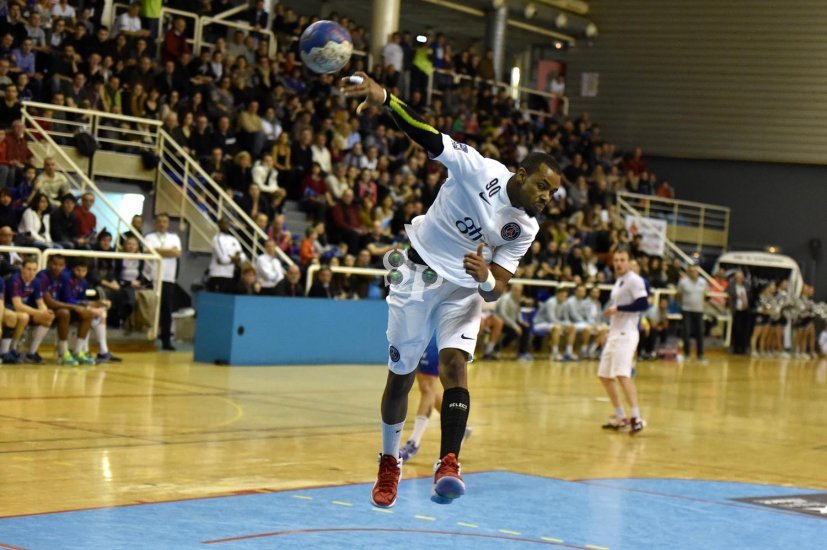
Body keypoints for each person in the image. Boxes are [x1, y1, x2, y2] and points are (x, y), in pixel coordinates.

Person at [341, 71, 560, 507]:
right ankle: (389, 461)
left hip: (462, 292)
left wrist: (483, 277)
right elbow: (427, 135)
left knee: (455, 367)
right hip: (417, 277)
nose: (546, 197)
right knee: (401, 380)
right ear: (521, 175)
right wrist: (386, 99)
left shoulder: (526, 228)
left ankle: (448, 463)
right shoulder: (479, 170)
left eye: (553, 193)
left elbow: (497, 289)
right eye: (542, 186)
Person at [598, 247, 648, 435]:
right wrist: (608, 330)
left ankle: (636, 417)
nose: (618, 263)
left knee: (622, 374)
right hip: (614, 333)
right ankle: (620, 416)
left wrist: (619, 309)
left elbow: (643, 303)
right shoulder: (619, 281)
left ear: (629, 262)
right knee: (604, 375)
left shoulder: (635, 280)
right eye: (616, 260)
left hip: (627, 334)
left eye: (622, 260)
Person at [399, 336, 472, 462]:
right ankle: (459, 426)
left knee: (427, 386)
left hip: (438, 333)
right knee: (426, 385)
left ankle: (414, 442)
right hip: (419, 331)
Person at [37, 254, 96, 365]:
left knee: (88, 313)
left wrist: (87, 306)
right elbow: (49, 302)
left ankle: (78, 351)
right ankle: (63, 351)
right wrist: (75, 306)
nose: (57, 267)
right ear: (49, 263)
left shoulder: (64, 277)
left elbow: (70, 298)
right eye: (55, 264)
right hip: (43, 308)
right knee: (64, 313)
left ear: (64, 266)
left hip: (60, 307)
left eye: (61, 265)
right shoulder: (43, 276)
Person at [59, 260, 121, 363]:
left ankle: (102, 351)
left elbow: (83, 300)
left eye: (84, 271)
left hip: (76, 307)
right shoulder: (66, 279)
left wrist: (99, 303)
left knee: (101, 312)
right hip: (65, 307)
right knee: (91, 314)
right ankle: (82, 351)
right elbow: (67, 299)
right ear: (73, 269)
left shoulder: (84, 282)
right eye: (78, 270)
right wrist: (90, 307)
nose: (81, 273)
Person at [5, 256, 55, 364]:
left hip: (24, 309)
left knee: (48, 318)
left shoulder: (36, 281)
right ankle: (13, 349)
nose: (31, 272)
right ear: (22, 269)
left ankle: (31, 353)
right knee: (24, 317)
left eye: (34, 270)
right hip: (9, 308)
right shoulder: (15, 280)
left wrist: (45, 312)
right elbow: (18, 305)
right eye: (28, 269)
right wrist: (39, 312)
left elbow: (40, 302)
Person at [143, 213, 181, 351]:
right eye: (159, 221)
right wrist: (167, 251)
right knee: (151, 307)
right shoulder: (149, 237)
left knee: (166, 309)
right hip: (152, 277)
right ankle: (149, 336)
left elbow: (176, 253)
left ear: (168, 224)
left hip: (168, 277)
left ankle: (166, 340)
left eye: (164, 221)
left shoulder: (174, 237)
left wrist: (158, 251)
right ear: (155, 223)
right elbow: (147, 251)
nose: (162, 224)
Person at [676, 265, 708, 362]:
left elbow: (706, 294)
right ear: (688, 272)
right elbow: (678, 295)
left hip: (699, 310)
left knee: (700, 332)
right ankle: (687, 354)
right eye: (692, 271)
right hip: (686, 310)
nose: (694, 273)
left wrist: (702, 304)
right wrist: (684, 304)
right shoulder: (683, 282)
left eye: (696, 271)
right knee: (686, 332)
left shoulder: (703, 282)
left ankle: (700, 354)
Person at [208, 218, 244, 293]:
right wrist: (235, 259)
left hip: (231, 275)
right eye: (224, 223)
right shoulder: (217, 239)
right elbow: (223, 259)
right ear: (219, 225)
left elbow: (243, 257)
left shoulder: (233, 239)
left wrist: (234, 258)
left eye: (228, 224)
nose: (226, 225)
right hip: (218, 275)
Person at [0, 274, 29, 364]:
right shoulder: (14, 280)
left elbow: (0, 304)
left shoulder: (0, 281)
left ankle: (4, 353)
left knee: (11, 316)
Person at [727, 271, 750, 355]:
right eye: (738, 277)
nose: (739, 279)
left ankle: (744, 348)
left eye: (741, 277)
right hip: (736, 310)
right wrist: (737, 296)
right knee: (737, 329)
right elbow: (729, 294)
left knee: (745, 330)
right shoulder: (731, 286)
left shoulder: (746, 286)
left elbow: (750, 296)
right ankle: (735, 348)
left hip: (745, 310)